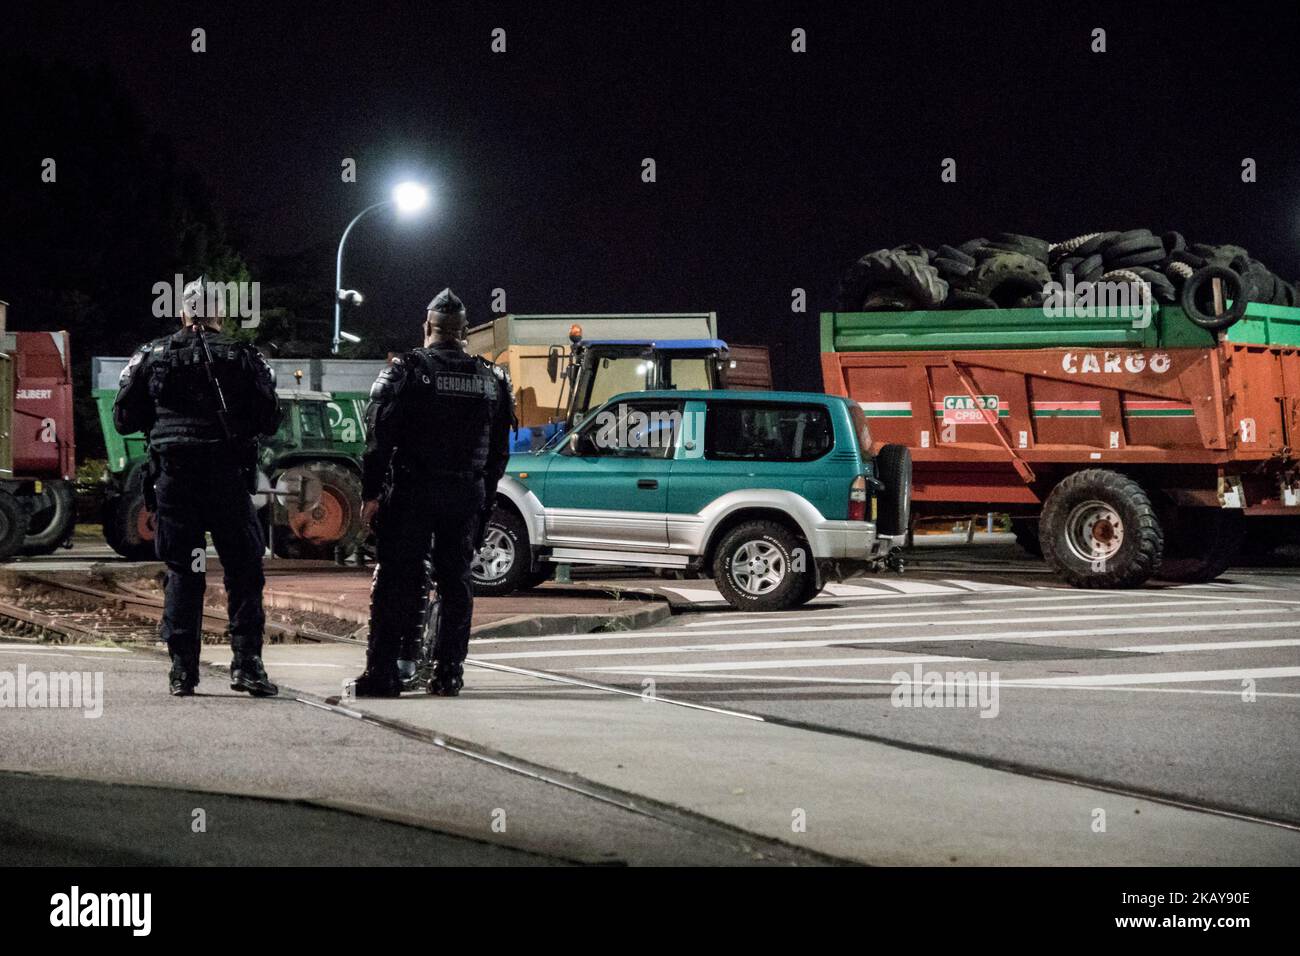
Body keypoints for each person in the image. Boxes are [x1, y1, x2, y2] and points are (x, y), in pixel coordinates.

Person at [114, 277, 281, 697]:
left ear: (182, 313)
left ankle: (183, 671)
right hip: (226, 480)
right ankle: (247, 666)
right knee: (243, 571)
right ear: (219, 314)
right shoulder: (243, 355)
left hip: (176, 481)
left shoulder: (151, 355)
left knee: (185, 571)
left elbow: (123, 420)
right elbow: (271, 419)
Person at [353, 288, 514, 697]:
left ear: (427, 327)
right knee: (456, 581)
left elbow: (377, 441)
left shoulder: (405, 371)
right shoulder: (491, 378)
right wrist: (485, 497)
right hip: (466, 493)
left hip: (413, 492)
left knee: (397, 580)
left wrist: (371, 495)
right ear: (464, 332)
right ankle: (448, 675)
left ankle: (384, 673)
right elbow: (498, 454)